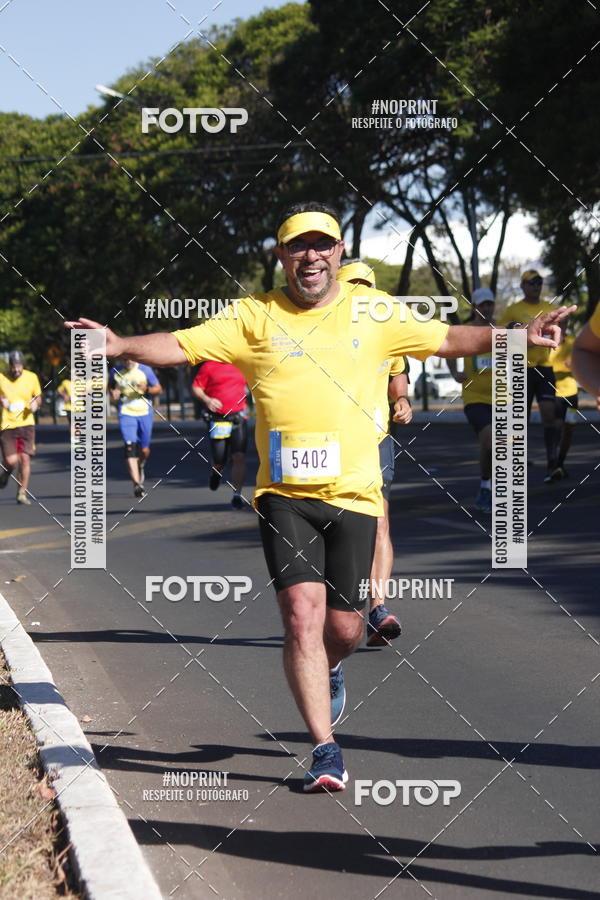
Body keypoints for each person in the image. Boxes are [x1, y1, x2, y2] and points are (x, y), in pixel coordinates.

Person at [66, 202, 573, 793]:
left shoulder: (375, 311)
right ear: (281, 256)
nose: (310, 256)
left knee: (345, 629)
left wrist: (515, 334)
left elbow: (448, 339)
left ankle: (334, 667)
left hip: (355, 494)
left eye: (321, 245)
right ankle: (325, 748)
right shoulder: (254, 316)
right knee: (301, 617)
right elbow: (179, 344)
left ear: (337, 253)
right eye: (297, 246)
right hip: (284, 496)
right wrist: (122, 343)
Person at [337, 259, 411, 646]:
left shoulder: (386, 334)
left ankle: (378, 609)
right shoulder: (322, 331)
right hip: (328, 441)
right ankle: (336, 608)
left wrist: (402, 400)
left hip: (375, 439)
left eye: (367, 286)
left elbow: (397, 374)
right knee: (335, 526)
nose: (361, 294)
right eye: (354, 286)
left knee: (380, 521)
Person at [498, 270, 561, 480]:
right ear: (522, 286)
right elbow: (500, 333)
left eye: (539, 283)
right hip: (521, 369)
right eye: (531, 283)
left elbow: (561, 328)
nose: (536, 286)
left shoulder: (549, 308)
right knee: (518, 419)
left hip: (544, 368)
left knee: (549, 416)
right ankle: (516, 461)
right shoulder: (513, 310)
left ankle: (552, 463)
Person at [448, 287, 495, 513]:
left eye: (489, 304)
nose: (486, 308)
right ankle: (487, 487)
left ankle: (490, 487)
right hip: (475, 396)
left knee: (499, 446)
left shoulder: (501, 329)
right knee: (489, 441)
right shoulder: (465, 331)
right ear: (475, 307)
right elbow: (447, 349)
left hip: (503, 398)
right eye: (482, 304)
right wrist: (455, 372)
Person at [191, 361, 249, 510]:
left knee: (239, 456)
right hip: (218, 419)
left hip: (238, 417)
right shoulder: (209, 366)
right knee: (219, 459)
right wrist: (207, 400)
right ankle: (216, 473)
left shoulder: (242, 362)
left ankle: (237, 495)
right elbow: (196, 387)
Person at [108, 359, 162, 498]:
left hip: (144, 411)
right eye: (125, 358)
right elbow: (111, 387)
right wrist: (114, 393)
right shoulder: (115, 371)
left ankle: (141, 464)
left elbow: (158, 388)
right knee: (129, 447)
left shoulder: (145, 370)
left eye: (131, 358)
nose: (128, 361)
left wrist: (147, 389)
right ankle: (137, 484)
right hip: (126, 412)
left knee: (144, 450)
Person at [0, 350, 42, 505]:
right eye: (13, 366)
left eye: (19, 366)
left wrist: (35, 404)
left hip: (27, 424)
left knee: (24, 459)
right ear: (9, 366)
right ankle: (5, 473)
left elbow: (37, 397)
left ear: (23, 365)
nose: (16, 370)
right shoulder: (2, 378)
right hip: (7, 424)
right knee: (11, 461)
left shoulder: (32, 377)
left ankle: (21, 493)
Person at [548, 320, 579, 480]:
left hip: (572, 394)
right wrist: (566, 367)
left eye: (565, 324)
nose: (563, 327)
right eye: (560, 324)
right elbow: (546, 368)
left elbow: (580, 366)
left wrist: (574, 366)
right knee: (557, 427)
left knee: (569, 430)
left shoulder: (573, 341)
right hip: (555, 395)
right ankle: (552, 464)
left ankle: (560, 464)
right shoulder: (548, 343)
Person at [572, 301, 600, 409]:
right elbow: (583, 351)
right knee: (552, 419)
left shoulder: (569, 341)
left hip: (571, 391)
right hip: (557, 391)